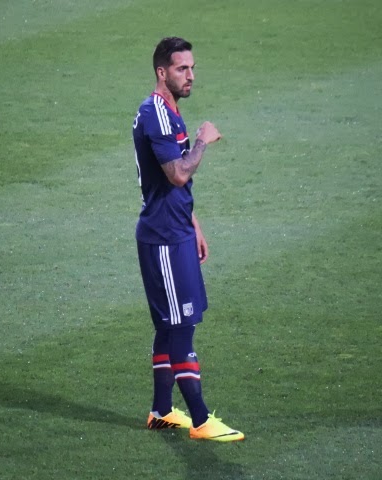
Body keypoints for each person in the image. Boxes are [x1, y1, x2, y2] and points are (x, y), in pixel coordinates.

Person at [131, 37, 244, 442]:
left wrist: (193, 224)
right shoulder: (156, 114)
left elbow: (171, 184)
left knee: (171, 325)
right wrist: (202, 141)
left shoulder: (169, 112)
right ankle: (200, 419)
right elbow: (178, 174)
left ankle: (161, 412)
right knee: (179, 326)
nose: (191, 75)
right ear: (162, 72)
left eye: (192, 68)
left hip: (176, 231)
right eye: (182, 68)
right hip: (163, 238)